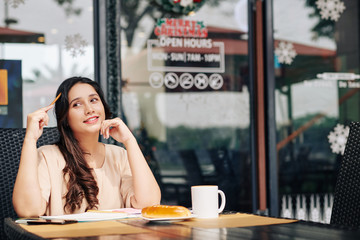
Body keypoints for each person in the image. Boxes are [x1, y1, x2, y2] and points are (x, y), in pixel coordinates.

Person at [13, 76, 161, 217]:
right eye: (77, 104)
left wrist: (130, 141)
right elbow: (27, 210)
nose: (89, 109)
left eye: (94, 100)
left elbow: (149, 204)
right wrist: (30, 139)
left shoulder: (119, 155)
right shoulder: (47, 156)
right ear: (65, 118)